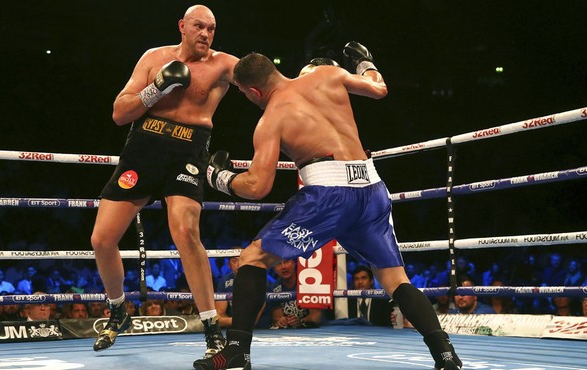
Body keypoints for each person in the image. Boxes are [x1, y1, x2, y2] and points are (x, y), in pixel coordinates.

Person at [193, 48, 462, 370]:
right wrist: (365, 62)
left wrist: (218, 177)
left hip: (328, 193)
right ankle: (445, 354)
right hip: (372, 189)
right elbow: (378, 88)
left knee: (252, 258)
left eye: (243, 93)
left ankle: (236, 352)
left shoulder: (272, 117)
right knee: (394, 279)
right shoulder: (327, 75)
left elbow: (256, 187)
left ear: (253, 91)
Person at [90, 4, 238, 358]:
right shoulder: (154, 58)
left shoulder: (223, 65)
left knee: (186, 233)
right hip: (142, 150)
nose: (206, 34)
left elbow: (269, 83)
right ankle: (118, 310)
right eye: (199, 26)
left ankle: (212, 329)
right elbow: (119, 112)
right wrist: (156, 88)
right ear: (182, 27)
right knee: (101, 239)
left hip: (187, 153)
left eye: (212, 28)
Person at [269, 259, 322, 329]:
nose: (283, 267)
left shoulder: (308, 281)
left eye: (286, 262)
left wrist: (301, 321)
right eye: (278, 264)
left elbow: (316, 317)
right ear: (274, 269)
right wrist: (282, 321)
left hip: (312, 330)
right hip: (288, 333)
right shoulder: (274, 288)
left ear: (294, 263)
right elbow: (277, 317)